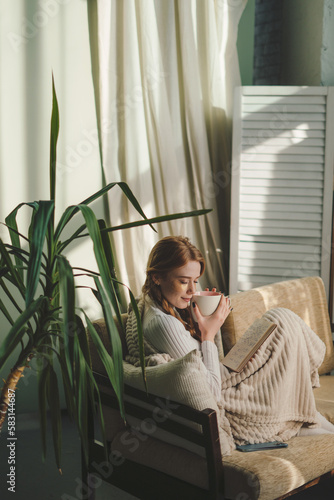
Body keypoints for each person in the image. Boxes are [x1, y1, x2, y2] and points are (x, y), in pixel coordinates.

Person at [125, 235, 334, 454]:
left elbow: (202, 360)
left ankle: (307, 416)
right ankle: (301, 418)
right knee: (280, 322)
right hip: (229, 397)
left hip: (223, 373)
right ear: (157, 277)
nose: (192, 290)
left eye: (195, 281)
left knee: (278, 321)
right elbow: (212, 392)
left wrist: (204, 319)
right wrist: (209, 334)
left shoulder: (157, 304)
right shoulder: (163, 324)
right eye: (183, 281)